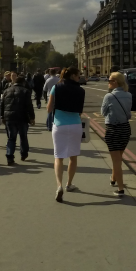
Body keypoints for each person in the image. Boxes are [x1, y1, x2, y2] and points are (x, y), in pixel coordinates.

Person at [47, 66, 85, 202]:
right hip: (75, 125)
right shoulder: (81, 90)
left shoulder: (56, 88)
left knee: (59, 157)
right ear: (73, 76)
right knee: (73, 157)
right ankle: (69, 184)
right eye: (78, 75)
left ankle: (59, 186)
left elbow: (49, 108)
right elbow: (80, 111)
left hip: (59, 125)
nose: (79, 77)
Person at [101, 72, 132, 194]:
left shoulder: (109, 97)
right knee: (119, 157)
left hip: (113, 129)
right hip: (125, 129)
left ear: (115, 82)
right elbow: (129, 113)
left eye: (109, 81)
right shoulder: (129, 95)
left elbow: (103, 112)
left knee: (116, 161)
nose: (108, 83)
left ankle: (120, 189)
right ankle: (114, 178)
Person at [0, 74, 36, 164]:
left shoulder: (6, 91)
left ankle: (9, 156)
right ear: (23, 83)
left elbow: (2, 105)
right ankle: (24, 154)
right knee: (23, 136)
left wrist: (2, 116)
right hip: (22, 117)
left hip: (9, 117)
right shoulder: (25, 91)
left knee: (11, 137)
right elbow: (29, 106)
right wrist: (32, 117)